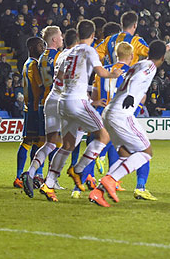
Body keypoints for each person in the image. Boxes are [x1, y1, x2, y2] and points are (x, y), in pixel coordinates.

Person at [38, 20, 123, 202]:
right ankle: (79, 169)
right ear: (93, 36)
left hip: (63, 102)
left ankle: (49, 183)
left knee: (68, 145)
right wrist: (113, 74)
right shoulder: (89, 50)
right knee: (105, 135)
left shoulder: (69, 52)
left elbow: (59, 75)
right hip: (77, 102)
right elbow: (101, 72)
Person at [89, 41, 168, 207]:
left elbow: (154, 55)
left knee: (124, 155)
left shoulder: (138, 63)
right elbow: (139, 79)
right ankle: (111, 179)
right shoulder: (151, 67)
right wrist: (132, 94)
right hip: (122, 114)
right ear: (162, 57)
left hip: (108, 112)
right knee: (146, 152)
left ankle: (98, 191)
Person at [20, 26, 64, 196]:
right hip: (56, 102)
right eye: (60, 36)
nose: (61, 38)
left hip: (43, 103)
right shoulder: (59, 57)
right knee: (58, 143)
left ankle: (36, 175)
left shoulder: (41, 59)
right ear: (54, 39)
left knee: (45, 142)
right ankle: (48, 178)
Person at [13, 36, 45, 190]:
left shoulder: (28, 64)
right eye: (40, 46)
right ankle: (22, 176)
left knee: (37, 142)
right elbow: (41, 85)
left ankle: (34, 175)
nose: (43, 48)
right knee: (31, 142)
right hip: (33, 109)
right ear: (32, 48)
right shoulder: (33, 65)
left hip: (31, 108)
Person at [96, 11, 170, 65]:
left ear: (121, 25)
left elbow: (95, 53)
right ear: (135, 25)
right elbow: (154, 53)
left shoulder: (109, 39)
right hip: (126, 84)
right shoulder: (136, 41)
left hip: (109, 82)